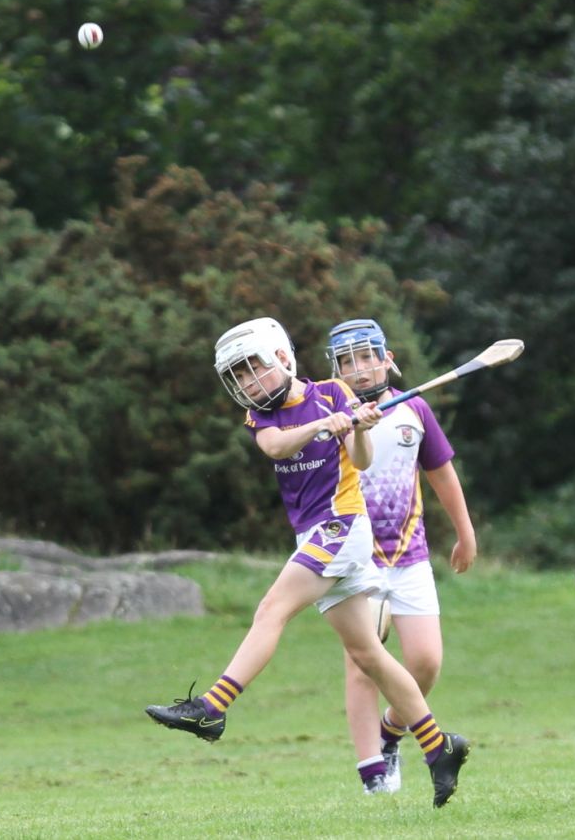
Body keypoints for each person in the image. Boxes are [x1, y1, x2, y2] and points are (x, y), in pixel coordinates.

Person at [144, 317, 470, 808]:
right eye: (241, 376)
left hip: (341, 525)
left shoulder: (334, 392)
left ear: (282, 358)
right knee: (369, 656)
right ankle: (438, 746)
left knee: (272, 609)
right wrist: (322, 425)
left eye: (256, 369)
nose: (250, 383)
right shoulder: (265, 418)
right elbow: (276, 446)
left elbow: (358, 460)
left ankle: (212, 707)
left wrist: (357, 425)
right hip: (316, 532)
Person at [323, 319, 478, 795]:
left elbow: (441, 474)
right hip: (355, 559)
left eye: (367, 356)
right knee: (363, 661)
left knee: (426, 662)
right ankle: (373, 775)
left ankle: (392, 734)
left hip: (409, 557)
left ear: (387, 358)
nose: (360, 368)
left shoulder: (414, 409)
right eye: (348, 361)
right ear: (336, 371)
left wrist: (465, 532)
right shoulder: (329, 416)